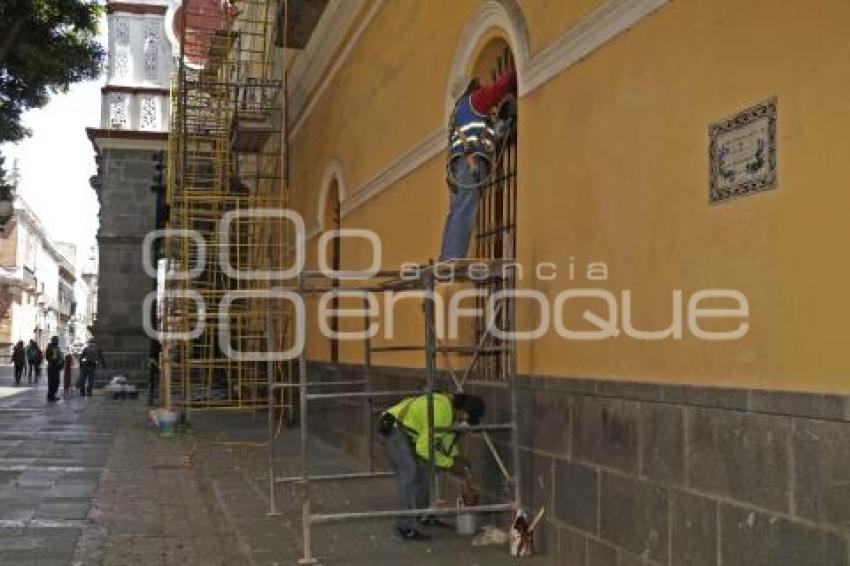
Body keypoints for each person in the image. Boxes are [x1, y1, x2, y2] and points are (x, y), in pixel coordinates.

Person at [379, 392, 485, 541]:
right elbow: (423, 449)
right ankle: (403, 528)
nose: (464, 423)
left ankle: (423, 515)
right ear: (463, 412)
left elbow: (446, 438)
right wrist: (451, 463)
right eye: (467, 420)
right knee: (409, 473)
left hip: (408, 431)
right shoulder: (442, 412)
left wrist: (455, 457)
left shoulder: (450, 410)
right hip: (394, 428)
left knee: (426, 469)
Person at [439, 68, 517, 261]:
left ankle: (447, 255)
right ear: (469, 88)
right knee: (465, 208)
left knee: (457, 210)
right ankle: (453, 256)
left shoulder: (459, 113)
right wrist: (516, 72)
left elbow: (486, 135)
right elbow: (497, 89)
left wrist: (502, 125)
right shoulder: (474, 101)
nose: (479, 86)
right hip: (470, 164)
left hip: (460, 166)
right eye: (475, 85)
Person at [44, 336, 63, 402]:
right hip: (52, 366)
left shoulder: (57, 348)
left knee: (56, 381)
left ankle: (53, 394)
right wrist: (54, 361)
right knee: (52, 381)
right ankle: (51, 395)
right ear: (53, 341)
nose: (57, 341)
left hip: (57, 367)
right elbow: (47, 357)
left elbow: (60, 356)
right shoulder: (50, 347)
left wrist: (61, 362)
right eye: (56, 340)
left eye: (57, 340)